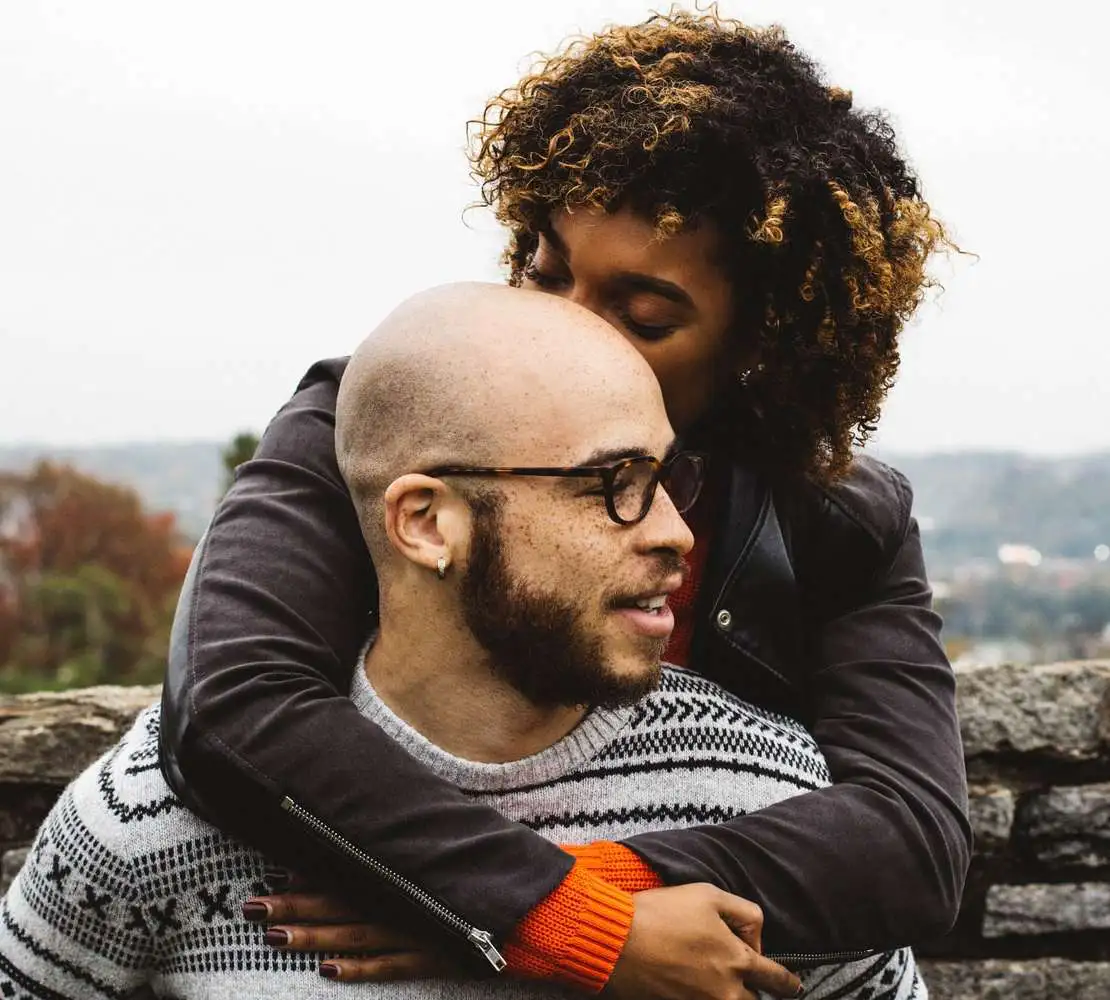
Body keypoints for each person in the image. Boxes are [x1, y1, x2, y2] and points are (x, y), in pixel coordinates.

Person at [159, 8, 970, 993]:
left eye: (643, 315)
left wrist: (571, 906)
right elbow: (231, 704)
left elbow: (912, 838)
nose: (568, 328)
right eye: (545, 273)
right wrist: (547, 914)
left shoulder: (839, 519)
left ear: (760, 342)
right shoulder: (379, 419)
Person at [0, 284, 928, 999]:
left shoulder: (764, 798)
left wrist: (565, 906)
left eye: (666, 478)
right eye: (611, 485)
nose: (676, 533)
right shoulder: (152, 823)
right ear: (426, 523)